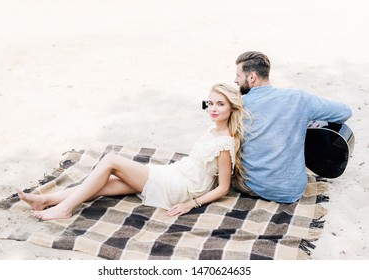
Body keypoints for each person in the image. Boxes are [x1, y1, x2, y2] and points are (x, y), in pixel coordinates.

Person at [18, 83, 248, 220]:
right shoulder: (212, 129)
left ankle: (65, 208)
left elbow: (223, 187)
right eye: (211, 103)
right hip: (175, 173)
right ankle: (44, 200)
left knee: (110, 161)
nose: (214, 109)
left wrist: (191, 204)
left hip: (182, 187)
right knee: (106, 182)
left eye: (221, 104)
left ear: (232, 107)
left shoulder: (225, 143)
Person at [233, 51, 352, 203]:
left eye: (238, 75)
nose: (235, 80)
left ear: (252, 77)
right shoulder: (299, 98)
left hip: (255, 186)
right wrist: (305, 120)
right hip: (293, 191)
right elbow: (345, 112)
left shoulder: (239, 105)